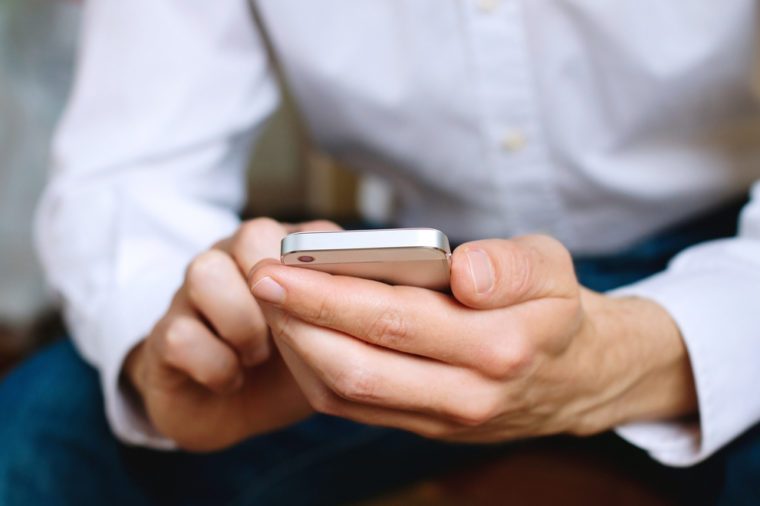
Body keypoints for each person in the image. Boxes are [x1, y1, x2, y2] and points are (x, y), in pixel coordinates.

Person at [1, 1, 759, 504]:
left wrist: (630, 354)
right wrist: (176, 342)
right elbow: (134, 168)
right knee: (36, 440)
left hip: (729, 266)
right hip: (410, 285)